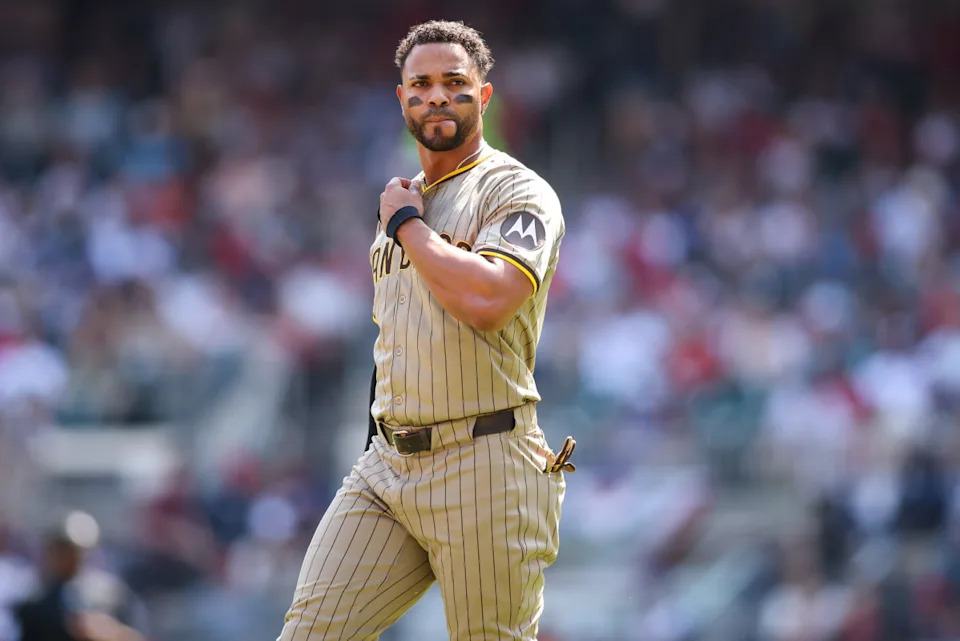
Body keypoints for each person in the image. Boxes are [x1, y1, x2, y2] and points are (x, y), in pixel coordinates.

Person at [277, 19, 575, 641]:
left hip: (485, 459)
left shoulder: (514, 189)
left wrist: (409, 227)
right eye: (422, 84)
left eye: (454, 82)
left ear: (484, 96)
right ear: (402, 98)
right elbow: (396, 342)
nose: (436, 96)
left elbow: (490, 299)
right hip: (387, 467)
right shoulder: (402, 202)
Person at [14, 518, 146, 641]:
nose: (68, 556)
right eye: (61, 549)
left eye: (72, 549)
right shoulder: (33, 599)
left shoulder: (110, 593)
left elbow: (137, 635)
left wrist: (108, 631)